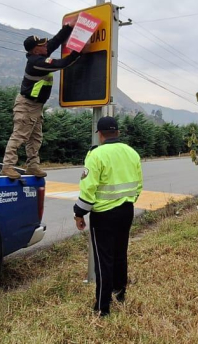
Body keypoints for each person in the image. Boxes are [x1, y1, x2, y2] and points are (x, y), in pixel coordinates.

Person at [73, 116, 143, 317]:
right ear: (118, 132)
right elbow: (138, 185)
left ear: (100, 134)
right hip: (126, 211)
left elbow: (88, 188)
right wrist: (128, 200)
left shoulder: (96, 155)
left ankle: (102, 307)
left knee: (104, 259)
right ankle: (120, 294)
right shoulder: (132, 153)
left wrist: (79, 213)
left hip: (103, 215)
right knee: (120, 253)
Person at [0, 24, 81, 179]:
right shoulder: (37, 63)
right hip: (26, 105)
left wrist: (68, 28)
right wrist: (79, 51)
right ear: (36, 50)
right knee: (19, 136)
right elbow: (62, 63)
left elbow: (56, 41)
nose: (46, 45)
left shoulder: (41, 54)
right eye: (42, 44)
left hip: (36, 106)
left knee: (35, 138)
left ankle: (33, 166)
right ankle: (7, 166)